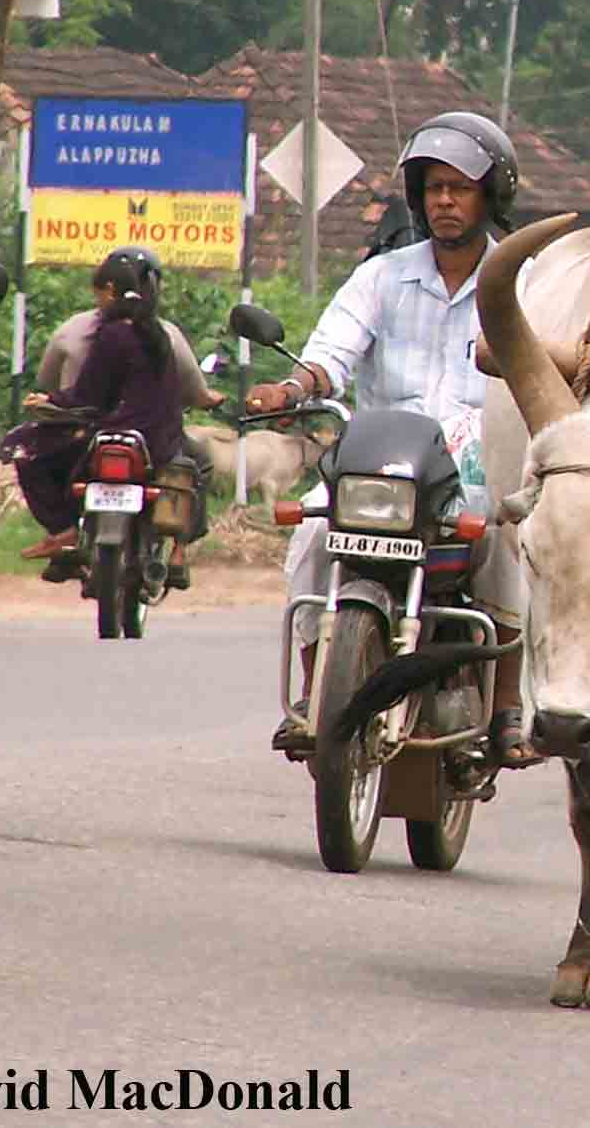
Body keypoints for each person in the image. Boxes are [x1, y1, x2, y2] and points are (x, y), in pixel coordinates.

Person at [244, 112, 540, 767]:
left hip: (474, 467)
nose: (444, 201)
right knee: (312, 535)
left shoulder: (521, 283)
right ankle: (316, 694)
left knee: (504, 538)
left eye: (459, 188)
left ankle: (505, 710)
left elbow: (544, 367)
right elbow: (331, 352)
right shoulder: (381, 276)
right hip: (380, 463)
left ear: (492, 194)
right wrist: (292, 388)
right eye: (433, 188)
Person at [15, 246, 223, 567]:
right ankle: (179, 551)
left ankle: (63, 528)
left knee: (27, 450)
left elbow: (86, 393)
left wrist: (52, 401)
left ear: (109, 289)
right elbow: (192, 390)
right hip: (161, 440)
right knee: (198, 464)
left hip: (103, 429)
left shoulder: (91, 330)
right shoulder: (163, 333)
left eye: (98, 293)